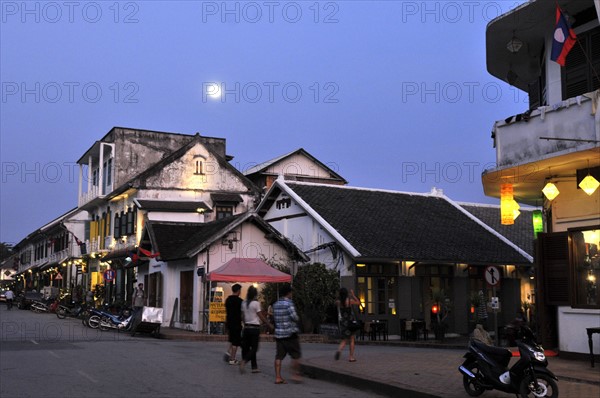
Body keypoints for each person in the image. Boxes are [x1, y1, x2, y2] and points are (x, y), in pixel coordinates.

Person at [272, 284, 302, 384]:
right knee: (296, 355)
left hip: (279, 334)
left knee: (279, 356)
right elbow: (295, 317)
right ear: (288, 293)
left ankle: (278, 377)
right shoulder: (289, 303)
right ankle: (295, 374)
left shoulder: (275, 304)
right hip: (290, 333)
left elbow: (275, 319)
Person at [239, 285, 272, 374]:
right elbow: (260, 316)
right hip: (254, 328)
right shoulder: (256, 303)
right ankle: (244, 361)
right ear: (255, 294)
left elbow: (242, 316)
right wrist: (268, 324)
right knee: (255, 348)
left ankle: (254, 367)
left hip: (246, 328)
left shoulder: (243, 303)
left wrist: (245, 323)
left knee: (247, 347)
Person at [334, 287, 361, 362]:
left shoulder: (338, 302)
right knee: (352, 340)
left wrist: (338, 295)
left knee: (344, 340)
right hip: (350, 322)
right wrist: (353, 295)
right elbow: (358, 302)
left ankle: (339, 350)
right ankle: (351, 357)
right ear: (346, 293)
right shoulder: (349, 301)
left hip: (343, 323)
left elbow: (335, 301)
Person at [224, 283, 243, 365]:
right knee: (236, 342)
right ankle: (232, 359)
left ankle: (228, 353)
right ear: (238, 291)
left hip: (229, 322)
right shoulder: (240, 301)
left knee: (232, 339)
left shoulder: (227, 300)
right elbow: (242, 313)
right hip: (237, 323)